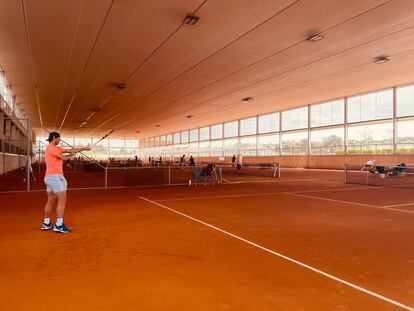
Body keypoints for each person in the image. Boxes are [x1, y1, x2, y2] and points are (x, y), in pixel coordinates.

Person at [41, 132, 90, 233]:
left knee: (50, 200)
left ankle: (46, 223)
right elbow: (63, 157)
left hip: (49, 177)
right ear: (55, 138)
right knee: (62, 201)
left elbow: (72, 150)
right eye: (59, 139)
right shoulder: (53, 147)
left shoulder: (55, 148)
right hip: (55, 177)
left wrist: (85, 148)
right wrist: (70, 157)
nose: (60, 140)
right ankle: (59, 225)